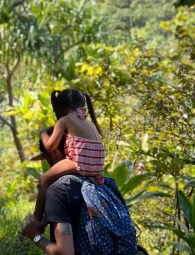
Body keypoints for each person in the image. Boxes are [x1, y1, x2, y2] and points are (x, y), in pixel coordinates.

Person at [22, 93, 146, 255]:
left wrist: (36, 236)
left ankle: (35, 222)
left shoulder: (59, 190)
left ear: (49, 155)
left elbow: (64, 253)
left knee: (44, 179)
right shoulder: (104, 182)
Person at [32, 89, 105, 225]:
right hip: (97, 167)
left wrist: (42, 133)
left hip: (79, 163)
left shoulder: (64, 120)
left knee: (44, 179)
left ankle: (36, 220)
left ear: (61, 107)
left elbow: (49, 147)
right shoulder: (89, 122)